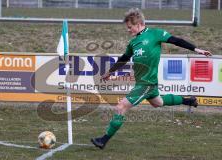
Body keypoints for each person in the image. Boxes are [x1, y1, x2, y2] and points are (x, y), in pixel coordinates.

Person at [91, 8, 212, 149]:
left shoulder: (155, 34)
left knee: (121, 107)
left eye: (130, 27)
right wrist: (110, 71)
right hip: (145, 83)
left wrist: (197, 49)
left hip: (146, 84)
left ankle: (103, 140)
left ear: (139, 23)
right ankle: (189, 100)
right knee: (158, 102)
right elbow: (124, 58)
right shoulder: (133, 43)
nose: (128, 30)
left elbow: (176, 40)